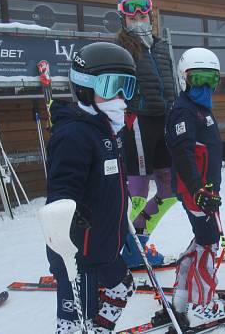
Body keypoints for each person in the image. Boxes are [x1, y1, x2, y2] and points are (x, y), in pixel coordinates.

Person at [37, 42, 137, 334]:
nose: (120, 97)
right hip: (77, 256)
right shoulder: (74, 135)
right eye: (111, 86)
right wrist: (71, 213)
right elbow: (61, 190)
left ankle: (99, 328)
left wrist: (123, 205)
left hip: (104, 247)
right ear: (84, 87)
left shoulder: (106, 128)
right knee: (74, 325)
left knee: (123, 288)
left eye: (126, 87)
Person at [164, 48, 225, 327]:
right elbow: (183, 153)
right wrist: (197, 190)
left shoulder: (201, 110)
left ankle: (182, 295)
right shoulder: (183, 112)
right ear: (184, 79)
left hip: (203, 192)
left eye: (210, 79)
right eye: (198, 79)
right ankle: (203, 303)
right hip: (197, 192)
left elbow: (213, 146)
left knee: (203, 239)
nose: (204, 86)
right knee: (209, 242)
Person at [115, 0, 178, 269]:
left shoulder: (162, 46)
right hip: (138, 122)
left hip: (166, 121)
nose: (139, 15)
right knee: (137, 195)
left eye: (143, 10)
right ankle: (112, 252)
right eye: (132, 11)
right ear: (123, 17)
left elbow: (173, 82)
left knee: (170, 191)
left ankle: (137, 246)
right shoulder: (121, 48)